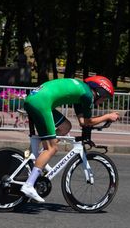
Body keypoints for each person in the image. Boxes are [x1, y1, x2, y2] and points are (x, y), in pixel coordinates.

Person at [20, 75, 120, 203]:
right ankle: (28, 185)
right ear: (100, 91)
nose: (102, 102)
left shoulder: (81, 93)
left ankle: (40, 157)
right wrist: (107, 116)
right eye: (104, 98)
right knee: (52, 148)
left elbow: (83, 122)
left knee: (65, 126)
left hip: (36, 99)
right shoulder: (88, 95)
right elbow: (89, 121)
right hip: (41, 102)